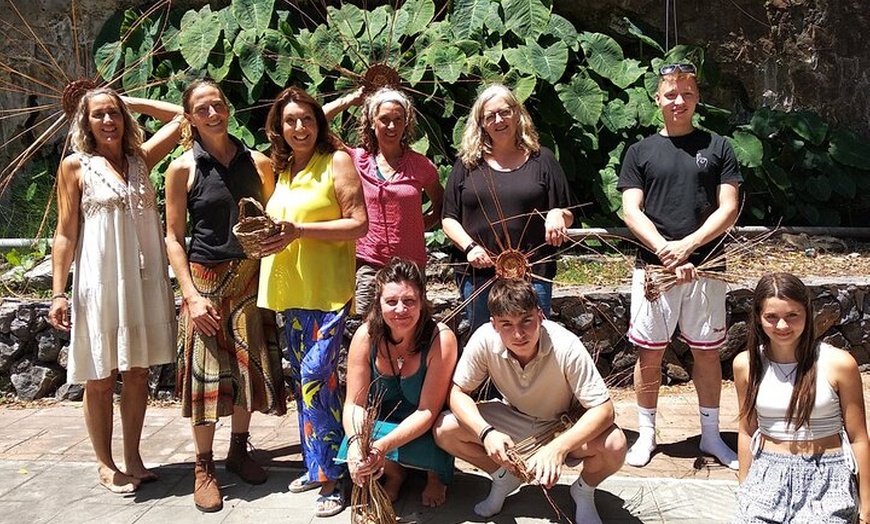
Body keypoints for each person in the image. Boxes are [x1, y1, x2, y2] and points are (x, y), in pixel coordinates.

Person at [47, 88, 182, 493]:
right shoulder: (76, 167)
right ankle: (105, 463)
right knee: (101, 376)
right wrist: (58, 292)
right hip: (100, 281)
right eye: (99, 115)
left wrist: (131, 101)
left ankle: (134, 458)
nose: (108, 121)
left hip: (141, 281)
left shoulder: (140, 161)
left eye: (114, 114)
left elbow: (181, 118)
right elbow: (65, 233)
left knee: (138, 372)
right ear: (85, 123)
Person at [164, 79, 287, 513]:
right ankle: (203, 466)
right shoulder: (182, 169)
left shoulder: (260, 164)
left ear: (228, 108)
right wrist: (192, 296)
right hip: (204, 281)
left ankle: (238, 450)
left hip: (251, 278)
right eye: (202, 108)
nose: (212, 113)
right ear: (190, 118)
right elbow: (174, 238)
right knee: (207, 377)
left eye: (217, 104)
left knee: (246, 371)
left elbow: (274, 221)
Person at [617, 62, 742, 469]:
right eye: (671, 94)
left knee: (707, 353)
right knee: (649, 354)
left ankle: (710, 436)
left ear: (697, 98)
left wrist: (688, 246)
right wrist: (663, 248)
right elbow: (630, 209)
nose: (678, 101)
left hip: (707, 266)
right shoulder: (639, 151)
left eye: (686, 94)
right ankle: (648, 435)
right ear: (658, 98)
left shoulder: (718, 146)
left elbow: (729, 207)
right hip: (654, 270)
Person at [433, 278, 627, 524]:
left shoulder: (565, 344)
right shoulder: (484, 339)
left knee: (615, 444)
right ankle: (504, 477)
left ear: (540, 315)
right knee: (444, 429)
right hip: (515, 418)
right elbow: (458, 393)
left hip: (563, 424)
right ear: (493, 324)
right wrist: (486, 433)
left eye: (526, 321)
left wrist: (558, 448)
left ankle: (584, 491)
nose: (518, 334)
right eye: (506, 324)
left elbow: (604, 409)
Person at [257, 86, 368, 518]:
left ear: (319, 123)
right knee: (307, 385)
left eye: (307, 119)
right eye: (290, 121)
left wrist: (300, 232)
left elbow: (358, 224)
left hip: (327, 292)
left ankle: (334, 478)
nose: (299, 127)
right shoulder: (284, 170)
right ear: (278, 128)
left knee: (316, 376)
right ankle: (316, 462)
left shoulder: (335, 162)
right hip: (291, 291)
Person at [733, 273, 870, 523]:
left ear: (807, 314)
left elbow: (858, 437)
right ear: (758, 318)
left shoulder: (838, 363)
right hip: (766, 474)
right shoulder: (746, 364)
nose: (782, 326)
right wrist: (744, 485)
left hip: (828, 475)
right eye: (771, 317)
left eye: (792, 315)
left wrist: (867, 506)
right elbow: (746, 430)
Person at [442, 84, 573, 334]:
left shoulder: (543, 160)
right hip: (478, 276)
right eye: (490, 116)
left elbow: (566, 212)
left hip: (534, 275)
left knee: (533, 344)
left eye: (504, 112)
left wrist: (558, 215)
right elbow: (449, 218)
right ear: (480, 123)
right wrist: (470, 248)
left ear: (517, 113)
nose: (498, 120)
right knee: (486, 346)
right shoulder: (467, 165)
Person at [338, 258, 457, 507]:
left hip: (424, 423)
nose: (400, 309)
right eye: (391, 302)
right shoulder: (365, 336)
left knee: (440, 427)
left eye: (409, 301)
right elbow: (354, 404)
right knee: (356, 437)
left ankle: (435, 475)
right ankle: (395, 473)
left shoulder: (441, 339)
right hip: (383, 423)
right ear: (378, 304)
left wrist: (382, 447)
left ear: (422, 303)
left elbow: (427, 411)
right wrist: (358, 443)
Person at [323, 87, 443, 317]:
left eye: (398, 120)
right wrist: (350, 100)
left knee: (409, 327)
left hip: (411, 266)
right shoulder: (356, 160)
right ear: (372, 122)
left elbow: (441, 205)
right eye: (384, 119)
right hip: (368, 264)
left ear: (406, 124)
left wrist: (417, 227)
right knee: (364, 328)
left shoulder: (421, 166)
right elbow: (317, 123)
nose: (391, 126)